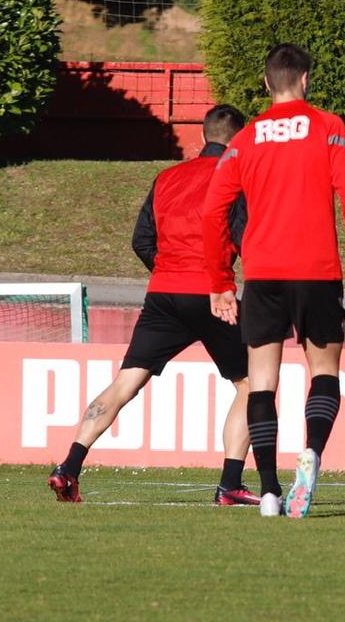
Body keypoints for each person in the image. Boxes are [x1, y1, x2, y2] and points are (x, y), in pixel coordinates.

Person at [203, 43, 345, 519]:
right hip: (316, 272)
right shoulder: (328, 127)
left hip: (262, 276)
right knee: (324, 373)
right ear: (305, 80)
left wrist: (221, 278)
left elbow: (212, 210)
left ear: (266, 84)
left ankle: (267, 492)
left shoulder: (245, 138)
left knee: (261, 384)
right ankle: (313, 455)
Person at [48, 105, 255, 505]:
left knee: (125, 382)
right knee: (251, 386)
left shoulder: (166, 178)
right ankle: (230, 484)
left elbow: (141, 241)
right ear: (239, 141)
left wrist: (168, 270)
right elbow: (246, 240)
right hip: (214, 295)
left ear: (203, 137)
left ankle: (69, 466)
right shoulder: (236, 179)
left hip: (163, 294)